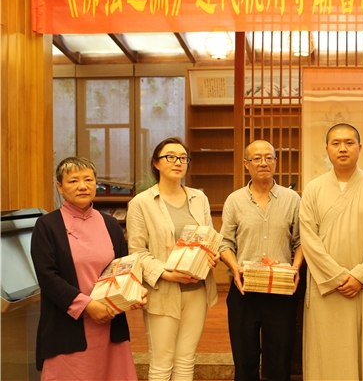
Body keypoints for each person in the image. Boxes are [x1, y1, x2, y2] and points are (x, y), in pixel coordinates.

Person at [30, 156, 146, 380]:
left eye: (88, 180)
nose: (82, 186)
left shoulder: (110, 224)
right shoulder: (47, 226)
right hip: (67, 328)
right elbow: (47, 277)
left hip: (110, 322)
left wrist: (134, 291)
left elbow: (123, 268)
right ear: (60, 187)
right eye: (73, 181)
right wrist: (88, 305)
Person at [299, 123, 363, 380]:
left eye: (349, 143)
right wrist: (337, 277)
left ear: (360, 147)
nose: (343, 148)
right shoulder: (313, 189)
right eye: (336, 143)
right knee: (326, 351)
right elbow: (309, 239)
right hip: (326, 287)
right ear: (327, 149)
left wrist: (360, 276)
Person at [127, 137, 218, 380]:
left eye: (183, 158)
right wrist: (168, 273)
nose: (177, 162)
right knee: (161, 364)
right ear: (156, 163)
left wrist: (212, 255)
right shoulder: (141, 203)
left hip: (197, 290)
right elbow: (137, 252)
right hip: (163, 291)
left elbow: (209, 237)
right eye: (170, 157)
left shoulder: (199, 198)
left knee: (186, 361)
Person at [219, 139, 303, 381]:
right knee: (245, 361)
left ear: (276, 162)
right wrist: (234, 267)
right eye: (257, 158)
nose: (263, 162)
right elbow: (225, 243)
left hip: (281, 290)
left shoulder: (292, 199)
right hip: (244, 288)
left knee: (280, 361)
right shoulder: (234, 200)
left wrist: (296, 268)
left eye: (269, 157)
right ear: (247, 163)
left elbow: (301, 241)